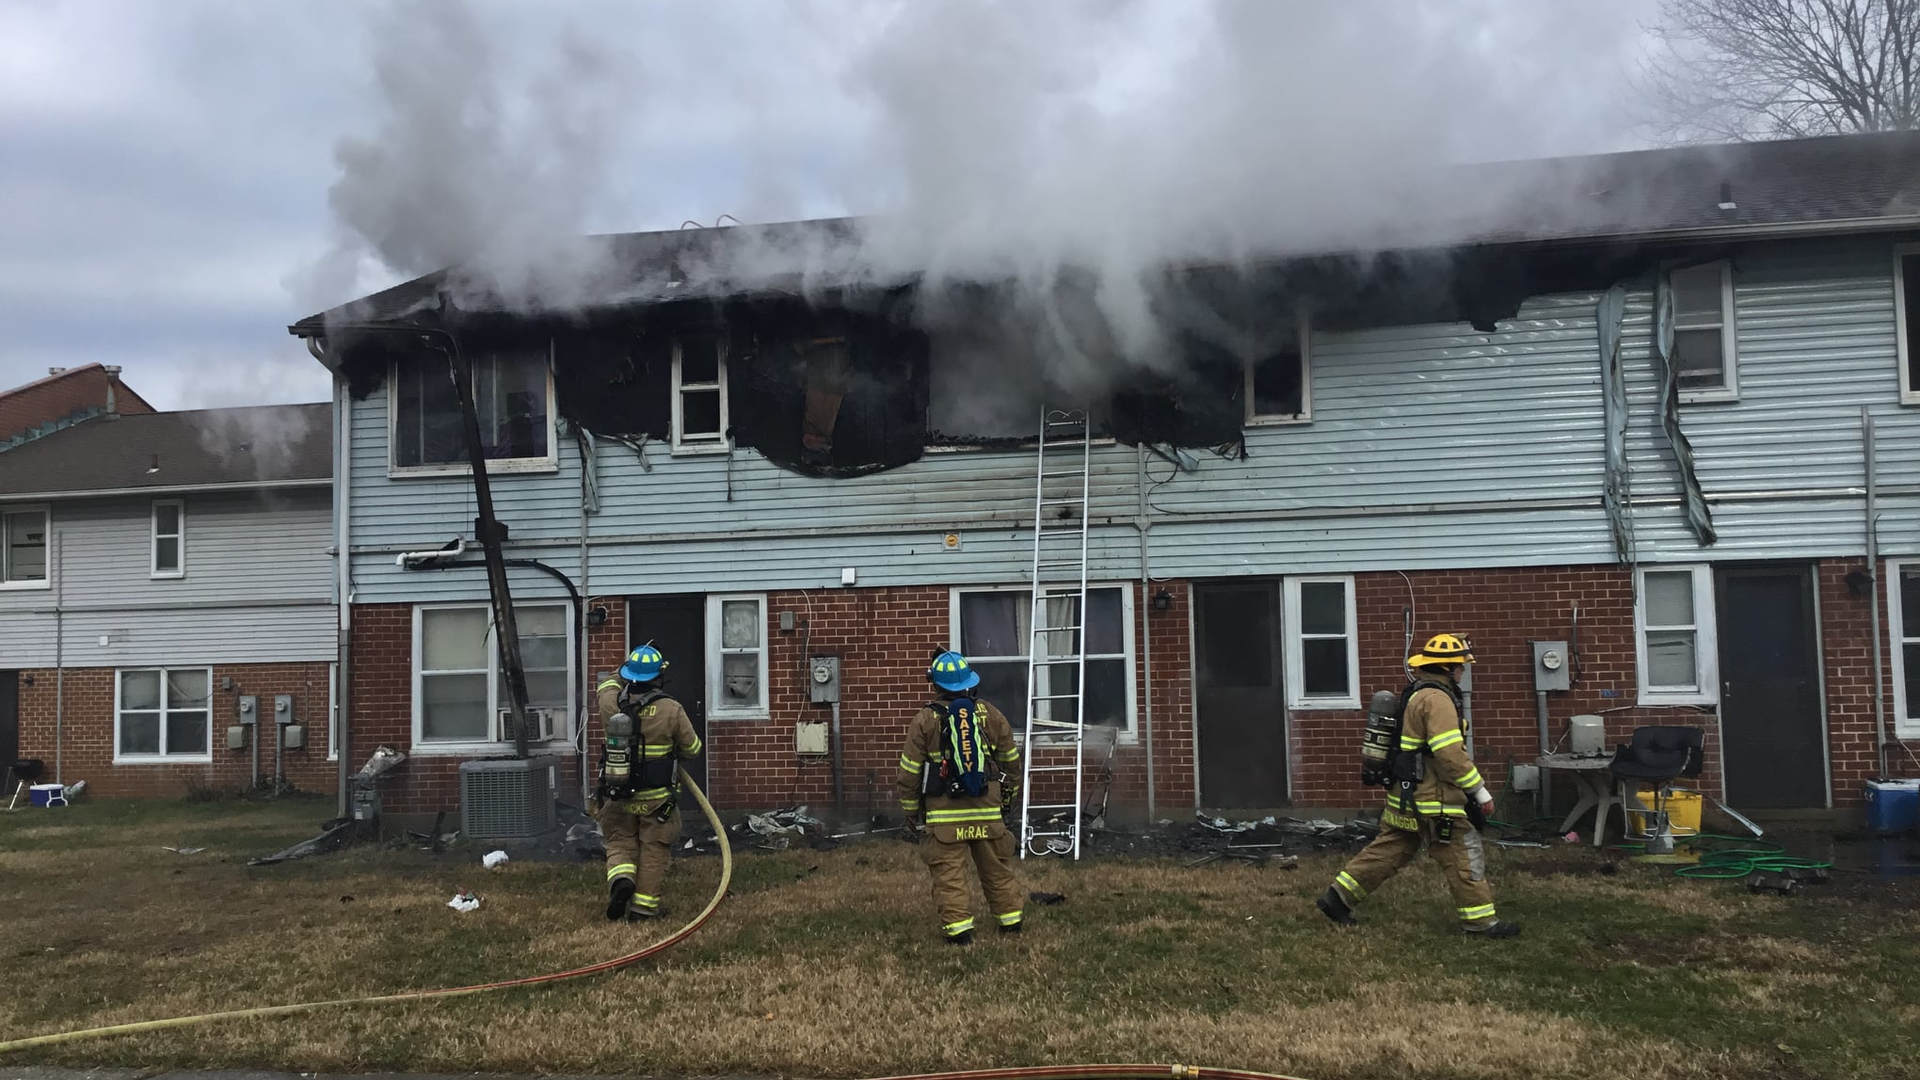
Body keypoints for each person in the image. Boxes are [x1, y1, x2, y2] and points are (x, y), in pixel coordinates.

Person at [1317, 633, 1520, 938]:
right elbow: (1450, 754)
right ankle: (1481, 924)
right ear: (1447, 668)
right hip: (1432, 801)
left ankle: (1337, 898)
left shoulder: (1418, 692)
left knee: (1390, 849)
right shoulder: (1437, 700)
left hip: (1406, 796)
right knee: (1463, 853)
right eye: (1460, 667)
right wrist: (1479, 792)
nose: (1463, 672)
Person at [896, 650, 1026, 944]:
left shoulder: (925, 719)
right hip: (988, 810)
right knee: (997, 868)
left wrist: (911, 811)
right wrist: (1007, 801)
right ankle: (1011, 921)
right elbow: (1011, 764)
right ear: (969, 682)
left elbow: (909, 773)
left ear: (936, 685)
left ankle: (960, 931)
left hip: (944, 818)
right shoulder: (991, 714)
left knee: (949, 875)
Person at [595, 645, 702, 922]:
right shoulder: (671, 709)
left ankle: (621, 880)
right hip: (656, 800)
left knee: (620, 843)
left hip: (617, 795)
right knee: (655, 849)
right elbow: (692, 749)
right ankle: (643, 909)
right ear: (659, 676)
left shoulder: (611, 704)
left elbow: (606, 684)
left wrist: (625, 669)